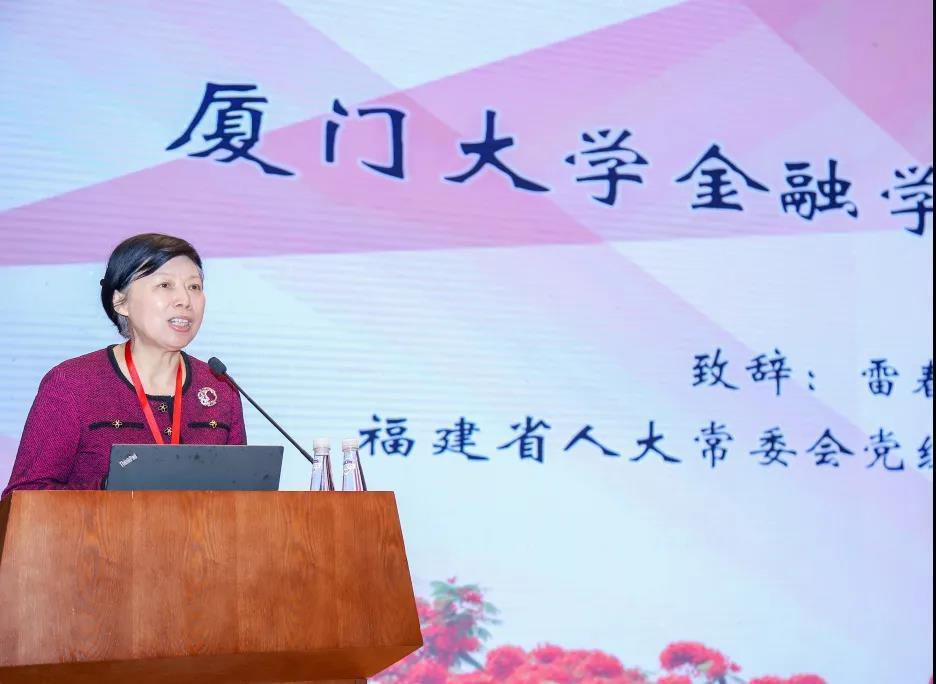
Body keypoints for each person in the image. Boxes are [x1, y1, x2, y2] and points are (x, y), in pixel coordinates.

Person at [1, 234, 246, 497]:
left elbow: (243, 499)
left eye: (194, 286)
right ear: (121, 301)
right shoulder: (73, 384)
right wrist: (107, 490)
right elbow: (23, 498)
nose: (185, 300)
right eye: (165, 285)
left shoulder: (220, 388)